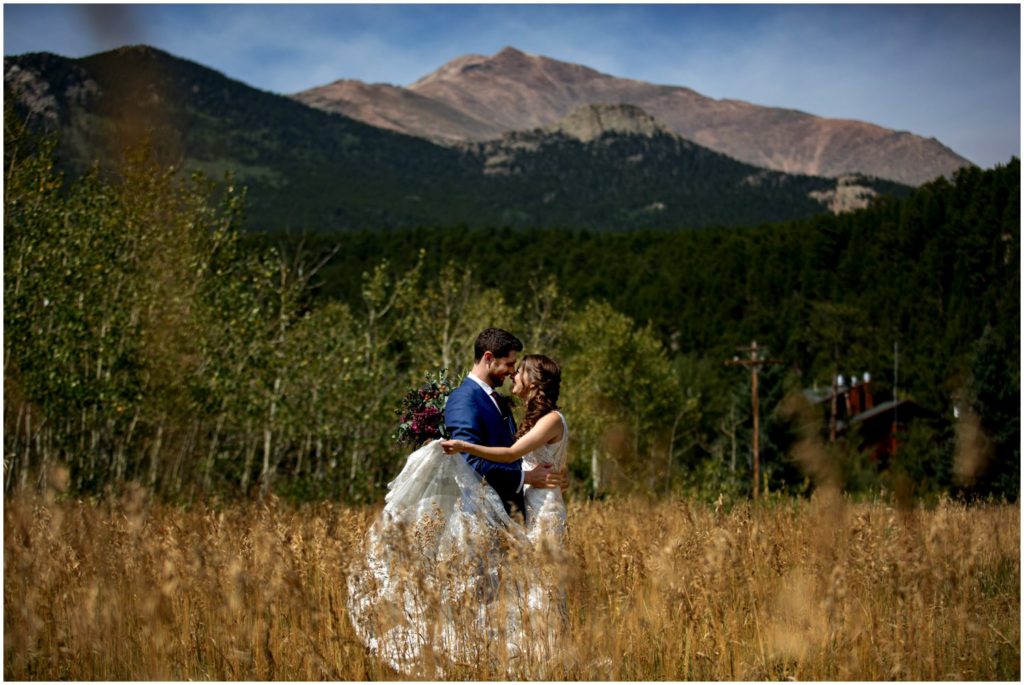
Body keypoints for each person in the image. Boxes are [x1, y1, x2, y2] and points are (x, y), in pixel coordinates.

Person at [442, 353, 568, 546]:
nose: (513, 374)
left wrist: (463, 446)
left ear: (533, 382)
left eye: (519, 371)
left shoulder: (551, 419)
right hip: (531, 501)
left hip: (544, 506)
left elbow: (511, 454)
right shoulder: (539, 419)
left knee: (543, 561)